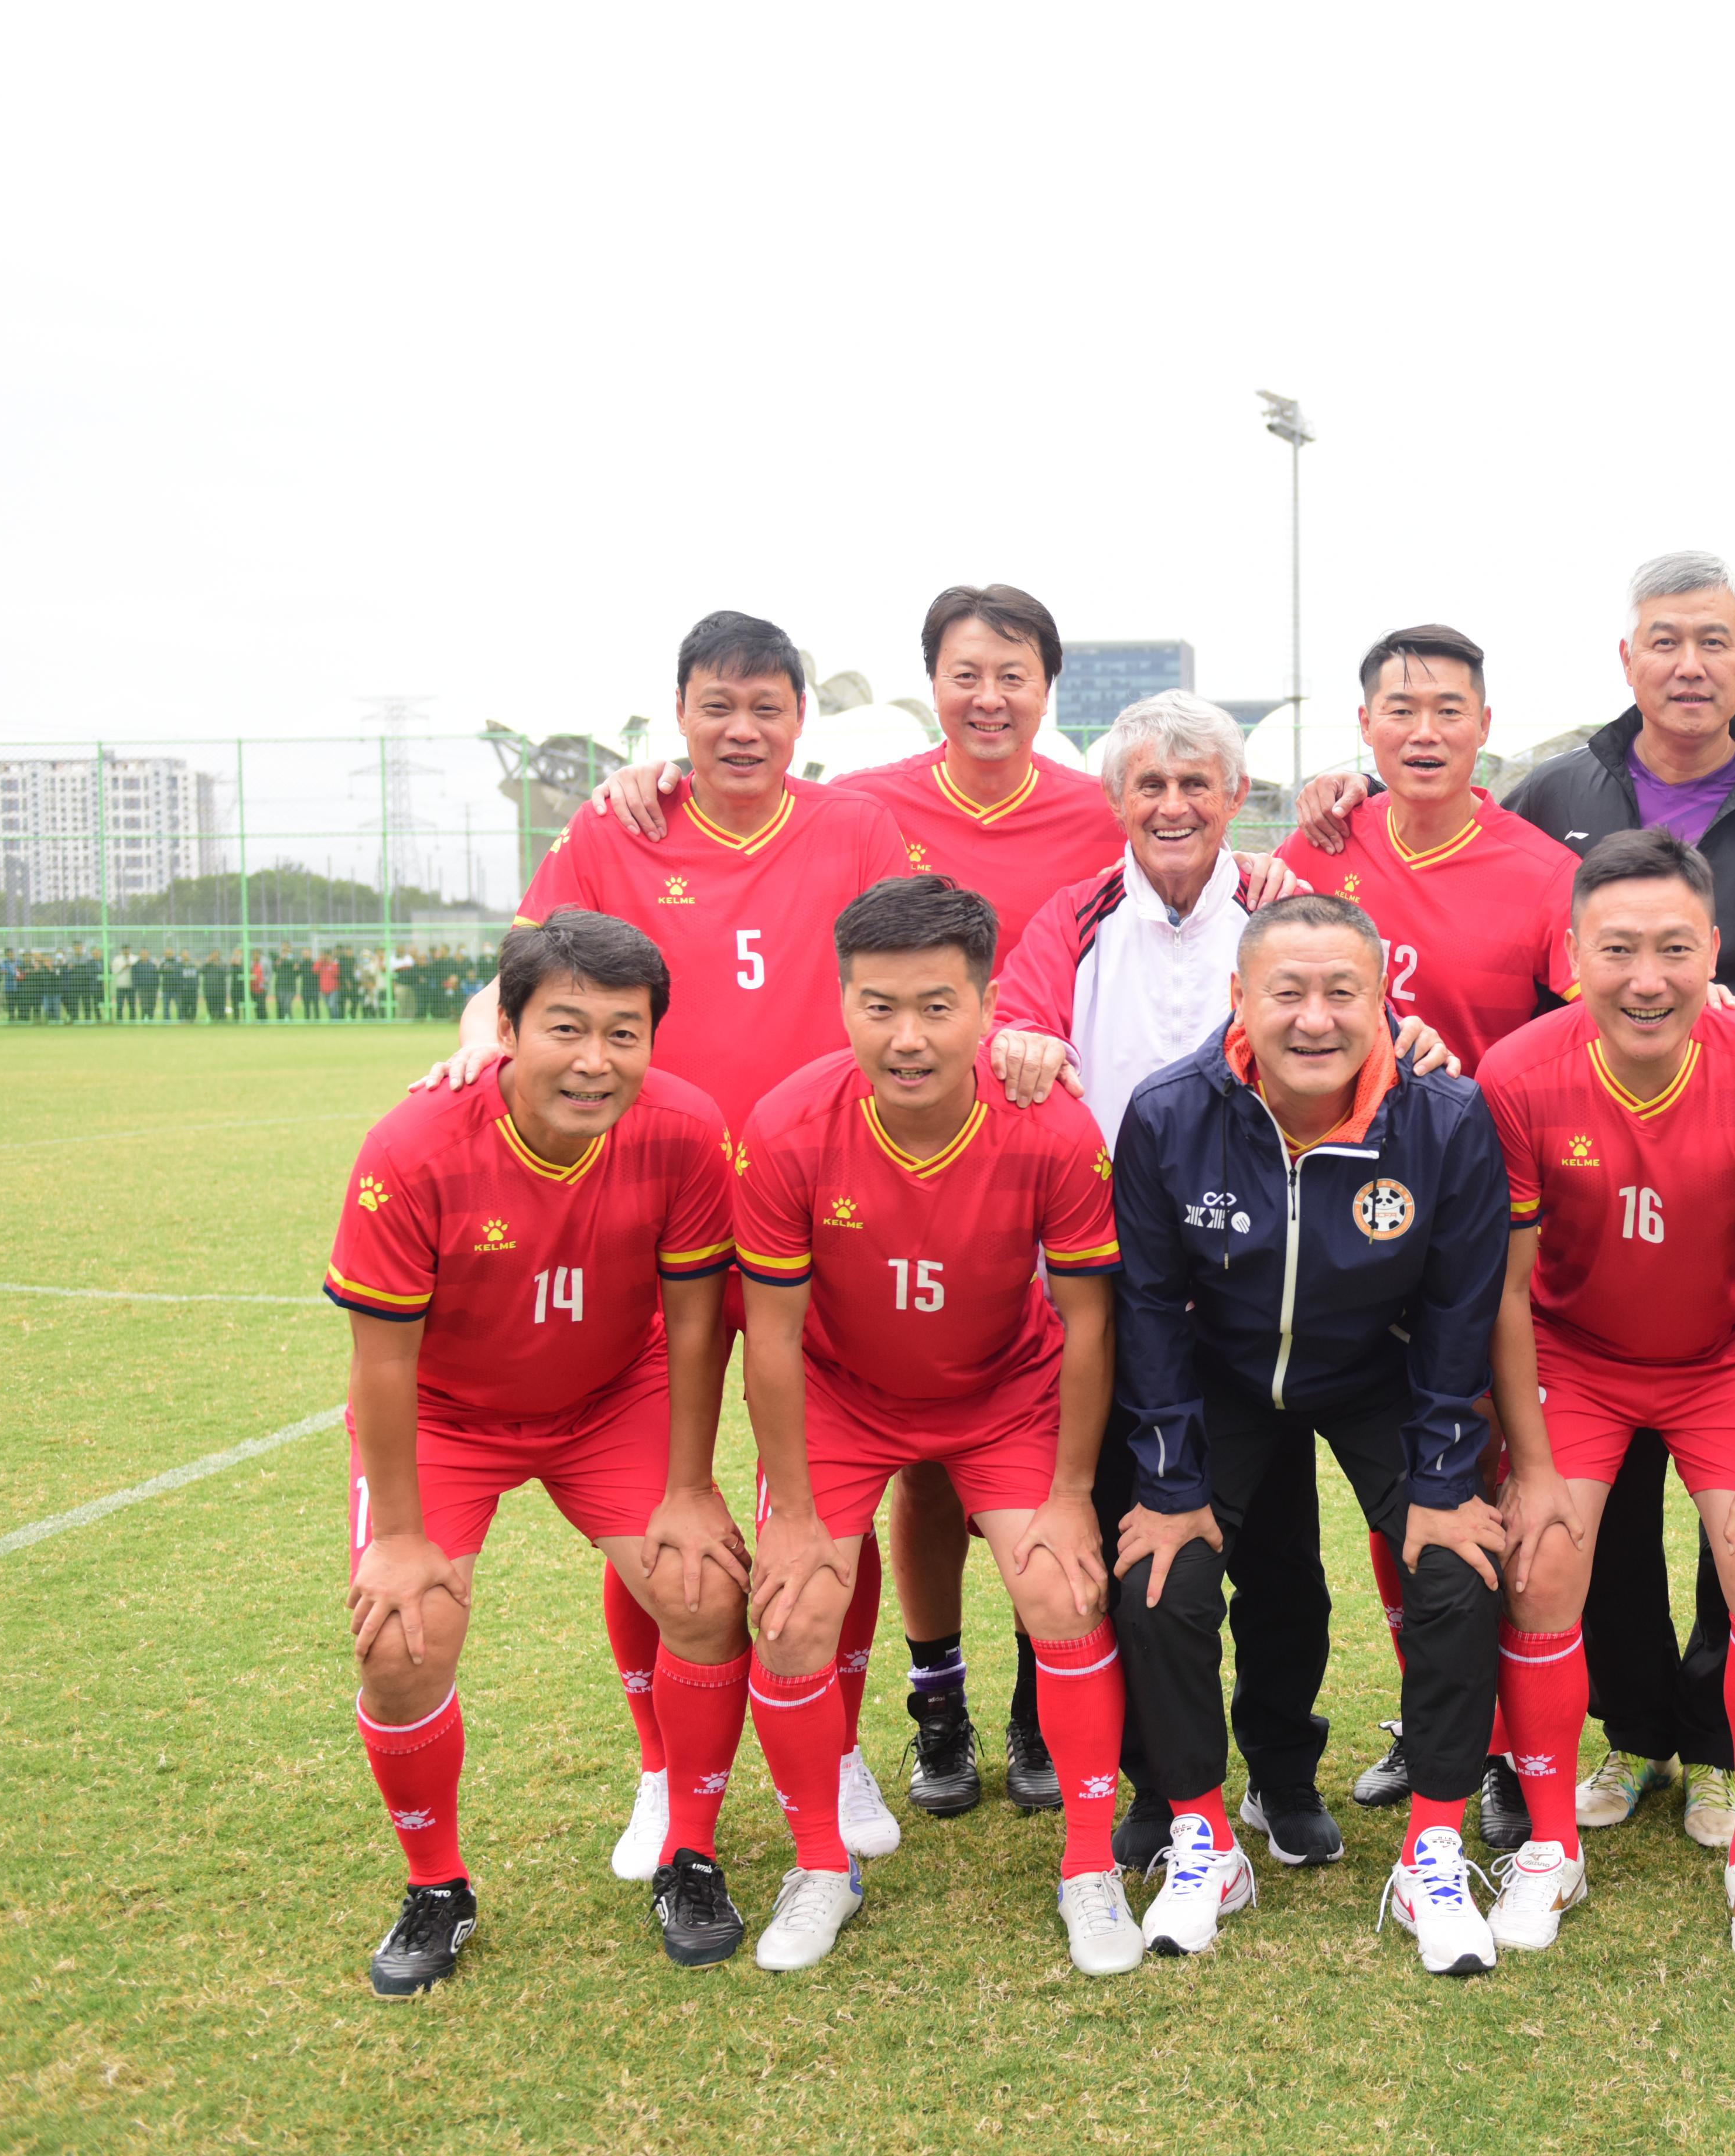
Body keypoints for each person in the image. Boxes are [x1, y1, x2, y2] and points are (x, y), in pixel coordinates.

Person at [587, 591, 1291, 1826]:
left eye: (1013, 674)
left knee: (1057, 1475)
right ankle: (919, 1700)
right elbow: (754, 801)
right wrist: (659, 780)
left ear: (1048, 691)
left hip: (1019, 1180)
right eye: (966, 672)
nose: (989, 696)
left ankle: (1042, 1716)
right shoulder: (872, 808)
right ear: (932, 683)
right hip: (814, 1175)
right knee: (834, 1481)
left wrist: (1277, 854)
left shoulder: (1103, 805)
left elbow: (1205, 857)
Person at [1310, 552, 1735, 1854]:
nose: (1689, 662)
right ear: (1628, 656)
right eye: (1665, 638)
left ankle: (1720, 1750)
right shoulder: (1554, 792)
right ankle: (1631, 1730)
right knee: (1580, 1530)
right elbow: (1433, 834)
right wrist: (1350, 794)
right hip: (1566, 1191)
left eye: (1714, 639)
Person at [421, 609, 923, 1879]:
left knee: (823, 1494)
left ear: (800, 718)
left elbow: (920, 967)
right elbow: (520, 971)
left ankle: (838, 1743)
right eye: (717, 705)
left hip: (825, 1204)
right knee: (657, 1502)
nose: (741, 728)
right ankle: (660, 1768)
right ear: (679, 714)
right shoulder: (617, 827)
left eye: (766, 705)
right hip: (652, 1211)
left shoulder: (858, 829)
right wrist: (480, 1037)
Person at [993, 694, 1451, 1872]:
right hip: (1135, 1295)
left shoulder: (1273, 902)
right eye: (1150, 784)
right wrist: (1020, 1039)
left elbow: (1365, 1025)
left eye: (1197, 784)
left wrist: (1421, 1041)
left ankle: (1284, 1774)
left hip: (1284, 1284)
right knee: (1148, 1549)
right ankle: (1161, 1784)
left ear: (1234, 796)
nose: (1173, 806)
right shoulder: (1072, 917)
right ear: (1116, 799)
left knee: (1284, 1565)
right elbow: (1016, 1023)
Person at [327, 909, 753, 1994]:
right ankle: (437, 1885)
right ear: (506, 1030)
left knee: (705, 1588)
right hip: (447, 1415)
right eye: (567, 1028)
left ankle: (690, 1853)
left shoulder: (685, 1129)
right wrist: (402, 1538)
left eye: (624, 1033)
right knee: (403, 1641)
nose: (595, 1060)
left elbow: (696, 1322)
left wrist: (690, 1485)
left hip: (612, 1397)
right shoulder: (412, 1147)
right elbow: (382, 1362)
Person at [729, 875, 1138, 1976]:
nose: (906, 1038)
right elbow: (771, 1338)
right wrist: (795, 1513)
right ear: (843, 1002)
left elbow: (1088, 1323)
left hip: (1004, 1392)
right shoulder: (786, 1128)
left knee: (1064, 1591)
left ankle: (1090, 1867)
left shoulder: (1051, 1126)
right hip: (843, 1395)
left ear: (989, 1006)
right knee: (793, 1613)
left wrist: (1070, 1495)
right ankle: (821, 1865)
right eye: (879, 1007)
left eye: (937, 1007)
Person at [1104, 893, 1509, 1973]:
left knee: (1457, 1567)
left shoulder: (1445, 1118)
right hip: (1226, 1375)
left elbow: (1461, 1309)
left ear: (1383, 1003)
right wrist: (1170, 1484)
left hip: (1377, 1371)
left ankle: (1432, 1849)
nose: (1315, 1018)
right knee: (1162, 1575)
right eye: (1288, 992)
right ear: (1239, 997)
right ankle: (1201, 1836)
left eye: (1342, 992)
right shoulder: (1168, 1112)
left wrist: (1442, 1481)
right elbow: (1147, 1307)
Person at [1474, 829, 1735, 1962]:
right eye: (1618, 948)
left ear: (1713, 950)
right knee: (1540, 1559)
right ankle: (1548, 1849)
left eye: (1675, 949)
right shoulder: (1516, 1074)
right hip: (1577, 1355)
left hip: (1722, 1356)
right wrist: (1534, 1469)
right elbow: (1509, 1293)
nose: (1647, 978)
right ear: (1573, 953)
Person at [1270, 624, 1576, 1818]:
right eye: (1400, 710)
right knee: (1394, 1490)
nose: (1425, 730)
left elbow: (1582, 1036)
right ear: (1365, 729)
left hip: (1470, 1217)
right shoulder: (1317, 846)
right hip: (1334, 1225)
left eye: (1450, 709)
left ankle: (1491, 1743)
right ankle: (1431, 1711)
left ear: (1485, 727)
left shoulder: (1540, 872)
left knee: (1467, 1472)